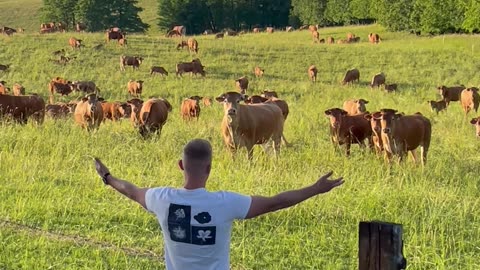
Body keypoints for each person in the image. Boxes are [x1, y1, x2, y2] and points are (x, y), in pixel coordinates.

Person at [94, 139, 344, 270]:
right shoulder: (226, 203)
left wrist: (107, 177)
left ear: (181, 165)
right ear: (210, 168)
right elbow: (276, 202)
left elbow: (131, 191)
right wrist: (315, 189)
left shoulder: (161, 199)